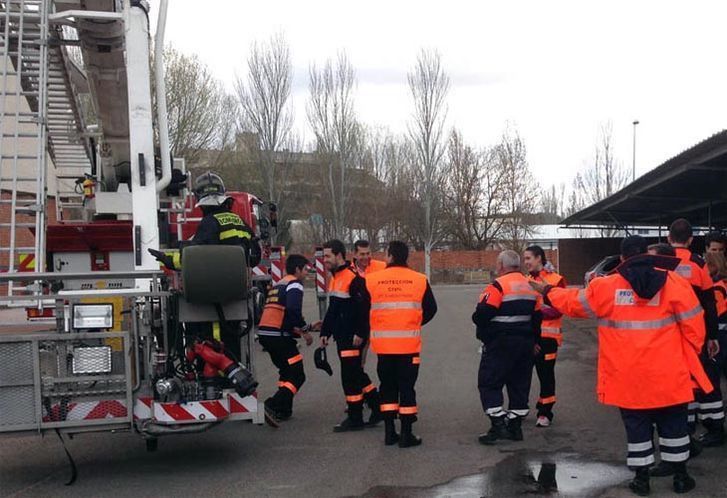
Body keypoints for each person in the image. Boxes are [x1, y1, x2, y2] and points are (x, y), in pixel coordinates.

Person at [531, 235, 711, 496]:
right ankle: (681, 477)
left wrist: (548, 291)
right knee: (674, 424)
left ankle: (642, 479)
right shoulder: (675, 283)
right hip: (669, 373)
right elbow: (695, 328)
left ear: (623, 258)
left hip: (627, 376)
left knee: (637, 426)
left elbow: (573, 303)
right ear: (648, 256)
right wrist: (687, 356)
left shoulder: (606, 287)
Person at [362, 241, 437, 447]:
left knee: (387, 388)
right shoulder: (419, 280)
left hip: (383, 348)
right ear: (406, 257)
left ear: (390, 256)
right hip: (408, 347)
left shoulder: (372, 280)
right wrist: (412, 322)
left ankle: (389, 433)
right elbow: (431, 309)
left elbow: (363, 310)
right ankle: (406, 434)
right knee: (407, 389)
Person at [473, 250, 543, 445]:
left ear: (502, 266)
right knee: (519, 385)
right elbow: (537, 318)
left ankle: (498, 425)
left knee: (489, 382)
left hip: (500, 344)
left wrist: (483, 333)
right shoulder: (531, 286)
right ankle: (515, 426)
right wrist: (536, 342)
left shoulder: (497, 286)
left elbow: (482, 314)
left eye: (497, 264)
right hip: (525, 345)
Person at [667, 219, 720, 459]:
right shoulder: (699, 264)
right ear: (691, 239)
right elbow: (710, 302)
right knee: (705, 377)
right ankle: (714, 426)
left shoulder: (663, 262)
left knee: (679, 381)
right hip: (697, 333)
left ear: (669, 238)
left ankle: (684, 429)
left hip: (668, 335)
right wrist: (712, 335)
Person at [320, 239, 381, 432]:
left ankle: (355, 417)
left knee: (350, 376)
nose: (325, 260)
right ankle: (377, 406)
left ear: (339, 255)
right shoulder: (336, 277)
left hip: (351, 337)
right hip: (342, 335)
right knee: (356, 374)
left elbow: (364, 308)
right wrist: (325, 332)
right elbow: (334, 309)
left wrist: (361, 333)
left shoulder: (353, 278)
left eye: (328, 256)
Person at [258, 254, 321, 427]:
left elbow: (283, 315)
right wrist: (305, 331)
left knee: (286, 372)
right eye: (305, 269)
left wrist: (305, 327)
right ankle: (271, 405)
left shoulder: (279, 284)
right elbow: (293, 310)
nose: (307, 273)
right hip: (279, 337)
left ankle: (283, 409)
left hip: (267, 334)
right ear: (297, 270)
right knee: (298, 374)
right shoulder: (294, 284)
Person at [523, 245, 566, 428]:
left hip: (547, 337)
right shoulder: (524, 280)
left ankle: (545, 412)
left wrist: (534, 313)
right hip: (527, 336)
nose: (526, 263)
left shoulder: (556, 280)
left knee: (545, 375)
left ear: (539, 258)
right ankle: (519, 408)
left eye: (528, 258)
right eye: (524, 259)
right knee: (521, 375)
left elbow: (559, 308)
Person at [699, 251, 727, 446]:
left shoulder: (717, 288)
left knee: (711, 383)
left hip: (720, 339)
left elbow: (713, 314)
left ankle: (716, 430)